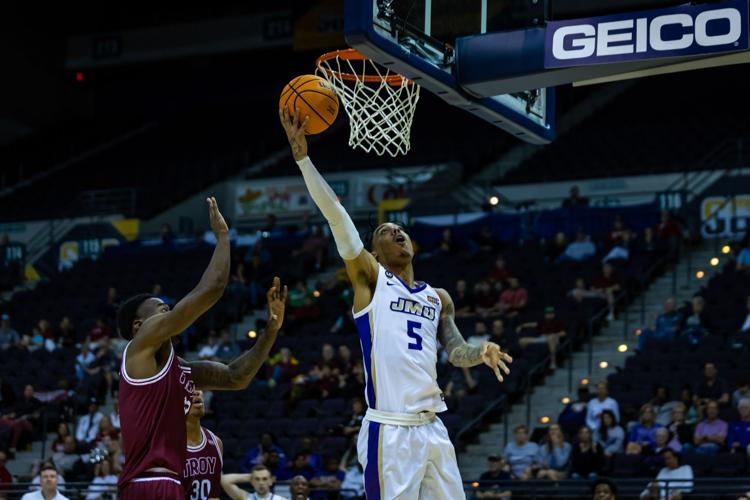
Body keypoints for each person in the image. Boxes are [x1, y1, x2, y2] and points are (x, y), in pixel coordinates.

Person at [281, 107, 512, 499]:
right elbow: (338, 218)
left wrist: (481, 352)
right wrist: (304, 159)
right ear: (374, 249)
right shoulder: (370, 280)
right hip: (390, 429)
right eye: (388, 231)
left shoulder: (438, 297)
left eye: (402, 229)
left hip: (434, 428)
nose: (398, 233)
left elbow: (455, 350)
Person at [116, 198, 287, 498]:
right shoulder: (138, 349)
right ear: (138, 326)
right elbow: (213, 288)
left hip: (170, 483)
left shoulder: (182, 370)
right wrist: (223, 237)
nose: (168, 311)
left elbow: (237, 376)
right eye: (161, 309)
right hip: (147, 481)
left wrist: (270, 331)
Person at [183, 391, 223, 500]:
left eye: (200, 389)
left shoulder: (216, 443)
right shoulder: (169, 446)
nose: (197, 392)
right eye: (189, 390)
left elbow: (214, 497)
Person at [222, 465, 287, 500]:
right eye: (257, 479)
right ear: (252, 482)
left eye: (264, 479)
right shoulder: (244, 497)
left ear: (270, 481)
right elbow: (224, 480)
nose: (261, 483)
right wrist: (251, 476)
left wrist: (255, 477)